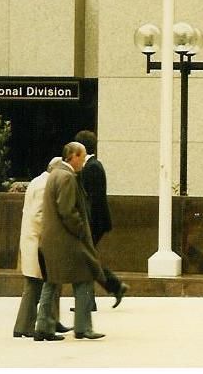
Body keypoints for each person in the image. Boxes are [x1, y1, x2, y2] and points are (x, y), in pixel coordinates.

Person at [34, 142, 105, 341]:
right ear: (72, 156)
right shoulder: (66, 177)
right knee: (84, 278)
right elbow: (67, 211)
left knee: (52, 282)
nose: (83, 161)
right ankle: (83, 327)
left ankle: (43, 326)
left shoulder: (55, 174)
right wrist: (81, 230)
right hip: (67, 240)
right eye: (81, 157)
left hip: (53, 240)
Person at [13, 157, 72, 338]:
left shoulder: (37, 181)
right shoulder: (45, 185)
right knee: (34, 285)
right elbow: (39, 214)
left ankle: (51, 320)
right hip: (39, 240)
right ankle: (24, 326)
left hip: (33, 239)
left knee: (47, 282)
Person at [74, 130, 129, 309]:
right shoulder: (93, 165)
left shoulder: (92, 167)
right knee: (87, 259)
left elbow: (92, 200)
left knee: (86, 259)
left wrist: (85, 225)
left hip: (94, 222)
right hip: (96, 221)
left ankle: (111, 288)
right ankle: (96, 297)